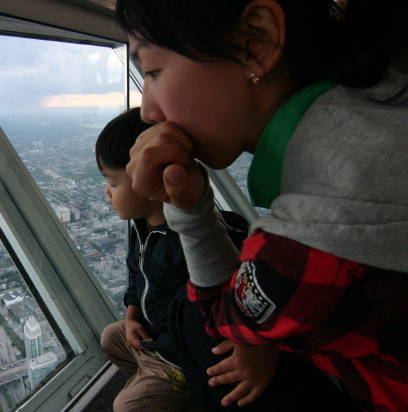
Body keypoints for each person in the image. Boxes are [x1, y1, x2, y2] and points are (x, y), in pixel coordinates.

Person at [116, 0, 408, 411]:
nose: (147, 111)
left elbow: (224, 322)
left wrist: (190, 208)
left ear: (257, 41)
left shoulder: (315, 234)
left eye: (152, 71)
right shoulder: (382, 88)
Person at [97, 107, 253, 411]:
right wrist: (132, 316)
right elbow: (136, 271)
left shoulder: (189, 241)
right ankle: (158, 387)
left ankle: (178, 389)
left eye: (113, 183)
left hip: (182, 354)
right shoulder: (141, 224)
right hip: (155, 334)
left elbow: (224, 296)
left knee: (126, 408)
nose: (107, 192)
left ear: (149, 181)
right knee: (111, 337)